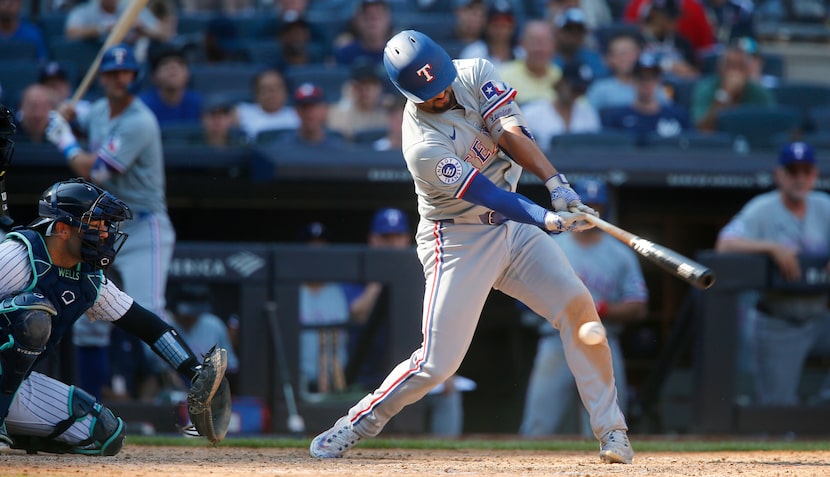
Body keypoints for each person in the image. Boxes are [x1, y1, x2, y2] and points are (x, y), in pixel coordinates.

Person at [309, 30, 634, 465]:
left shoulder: (475, 71)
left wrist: (557, 184)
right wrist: (548, 218)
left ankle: (612, 432)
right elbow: (489, 194)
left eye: (441, 80)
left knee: (578, 306)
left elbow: (510, 131)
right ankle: (357, 422)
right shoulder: (421, 144)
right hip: (458, 237)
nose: (440, 92)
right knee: (436, 365)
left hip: (513, 231)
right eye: (428, 92)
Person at [0, 176, 227, 454]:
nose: (105, 233)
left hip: (12, 384)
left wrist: (193, 371)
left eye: (105, 225)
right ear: (62, 229)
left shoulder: (89, 279)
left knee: (105, 434)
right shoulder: (16, 255)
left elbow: (147, 326)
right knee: (31, 318)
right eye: (95, 225)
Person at [45, 43, 177, 398]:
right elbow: (81, 114)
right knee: (88, 315)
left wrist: (64, 139)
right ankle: (90, 401)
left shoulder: (140, 121)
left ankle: (183, 387)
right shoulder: (101, 109)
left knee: (150, 309)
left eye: (127, 72)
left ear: (135, 76)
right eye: (113, 73)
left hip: (145, 225)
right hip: (104, 225)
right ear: (102, 78)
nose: (121, 78)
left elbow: (95, 171)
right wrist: (67, 113)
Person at [520, 179, 648, 437]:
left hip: (602, 340)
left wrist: (599, 308)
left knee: (609, 428)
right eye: (583, 206)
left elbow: (638, 306)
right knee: (539, 426)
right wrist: (564, 303)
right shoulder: (550, 245)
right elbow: (523, 298)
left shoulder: (620, 253)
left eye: (595, 206)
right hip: (555, 340)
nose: (588, 212)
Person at [714, 142, 830, 406]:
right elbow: (725, 244)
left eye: (806, 171)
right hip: (778, 319)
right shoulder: (762, 208)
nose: (799, 178)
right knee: (778, 406)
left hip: (820, 316)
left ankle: (823, 401)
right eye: (792, 171)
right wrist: (771, 247)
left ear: (814, 175)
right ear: (779, 174)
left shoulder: (824, 205)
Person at [600, 52, 691, 145]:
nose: (647, 83)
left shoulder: (678, 115)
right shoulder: (615, 116)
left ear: (659, 81)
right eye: (641, 78)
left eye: (652, 77)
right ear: (633, 81)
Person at [690, 40, 775, 132]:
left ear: (748, 70)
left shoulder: (759, 91)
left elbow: (772, 125)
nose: (734, 72)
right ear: (719, 69)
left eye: (740, 66)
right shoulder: (706, 88)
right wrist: (724, 94)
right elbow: (702, 130)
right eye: (730, 66)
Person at [522, 59, 601, 150]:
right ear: (561, 83)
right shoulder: (532, 112)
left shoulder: (588, 113)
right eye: (574, 88)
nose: (576, 93)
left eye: (581, 90)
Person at [586, 30, 670, 112]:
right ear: (609, 59)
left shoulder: (652, 87)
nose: (628, 58)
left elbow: (668, 115)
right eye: (622, 53)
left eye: (632, 52)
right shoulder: (600, 89)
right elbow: (587, 119)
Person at [170, 283, 240, 381]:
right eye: (187, 314)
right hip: (173, 387)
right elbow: (157, 368)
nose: (191, 317)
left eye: (195, 313)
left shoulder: (214, 325)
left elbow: (231, 365)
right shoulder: (167, 326)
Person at [497, 20, 562, 106]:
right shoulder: (503, 76)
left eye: (545, 42)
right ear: (522, 44)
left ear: (554, 46)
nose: (539, 49)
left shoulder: (561, 77)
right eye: (533, 41)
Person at [139, 46, 203, 126]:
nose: (172, 69)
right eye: (165, 64)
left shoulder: (198, 103)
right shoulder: (143, 106)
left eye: (179, 64)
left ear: (187, 74)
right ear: (153, 76)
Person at [328, 60, 389, 142]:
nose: (365, 90)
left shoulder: (388, 113)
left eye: (371, 85)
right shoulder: (336, 113)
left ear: (380, 88)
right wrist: (347, 101)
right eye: (360, 85)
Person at [235, 68, 300, 142]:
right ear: (256, 93)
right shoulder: (241, 112)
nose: (272, 94)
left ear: (286, 91)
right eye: (265, 89)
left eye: (276, 88)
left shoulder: (298, 114)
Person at [277, 82, 344, 148]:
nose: (309, 113)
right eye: (304, 108)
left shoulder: (338, 147)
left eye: (314, 107)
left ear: (325, 109)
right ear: (296, 111)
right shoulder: (283, 147)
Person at [552, 8, 609, 80]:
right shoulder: (547, 58)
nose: (574, 35)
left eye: (579, 31)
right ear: (558, 32)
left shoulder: (592, 59)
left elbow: (602, 81)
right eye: (569, 30)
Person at [459, 0, 521, 66]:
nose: (500, 30)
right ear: (486, 25)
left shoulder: (521, 54)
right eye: (496, 25)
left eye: (505, 25)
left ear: (513, 27)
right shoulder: (473, 53)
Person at [333, 0, 393, 67]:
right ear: (357, 20)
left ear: (387, 19)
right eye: (367, 15)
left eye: (378, 14)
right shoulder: (345, 54)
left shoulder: (398, 55)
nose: (372, 20)